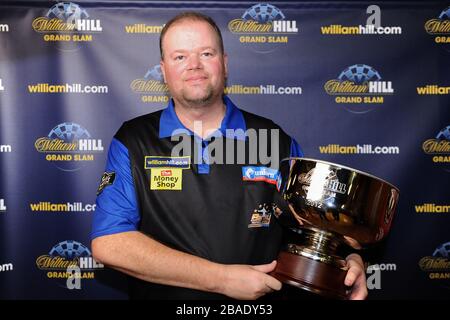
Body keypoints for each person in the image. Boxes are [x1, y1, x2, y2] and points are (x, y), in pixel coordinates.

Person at [91, 12, 367, 300]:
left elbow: (310, 230)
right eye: (180, 57)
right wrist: (220, 279)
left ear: (224, 63)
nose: (194, 66)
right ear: (163, 70)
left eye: (206, 53)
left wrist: (348, 260)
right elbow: (110, 242)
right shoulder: (134, 140)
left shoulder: (274, 139)